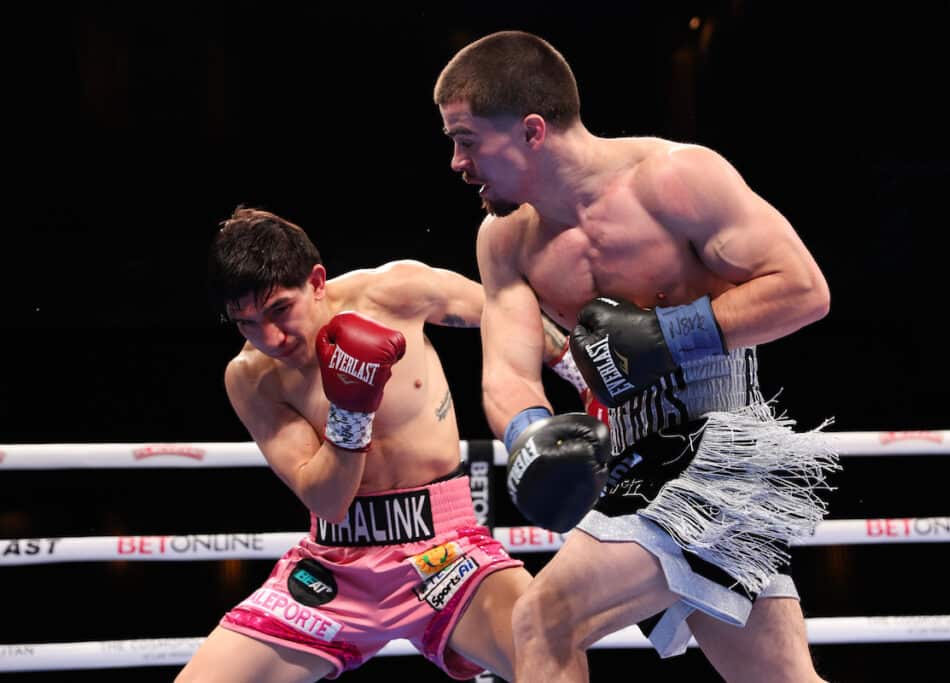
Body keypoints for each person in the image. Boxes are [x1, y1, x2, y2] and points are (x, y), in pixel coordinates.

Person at [434, 30, 840, 682]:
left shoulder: (677, 179)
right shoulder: (505, 240)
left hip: (719, 442)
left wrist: (668, 335)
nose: (456, 161)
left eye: (468, 139)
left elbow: (803, 290)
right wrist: (535, 436)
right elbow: (508, 371)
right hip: (627, 451)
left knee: (543, 618)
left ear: (532, 131)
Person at [177, 206, 557, 682]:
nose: (269, 337)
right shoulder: (252, 378)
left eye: (279, 310)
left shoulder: (396, 292)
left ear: (316, 281)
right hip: (335, 568)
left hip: (447, 551)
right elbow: (327, 501)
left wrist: (580, 372)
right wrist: (351, 409)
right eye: (245, 322)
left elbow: (513, 317)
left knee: (549, 652)